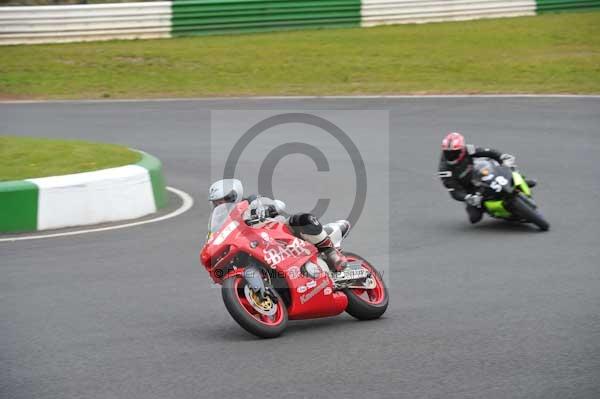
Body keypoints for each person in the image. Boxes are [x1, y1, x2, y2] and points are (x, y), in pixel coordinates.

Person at [208, 178, 347, 272]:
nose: (220, 204)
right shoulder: (221, 225)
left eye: (223, 200)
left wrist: (269, 208)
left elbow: (277, 204)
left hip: (280, 233)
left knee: (303, 219)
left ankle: (332, 254)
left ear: (234, 196)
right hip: (255, 248)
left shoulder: (251, 202)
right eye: (217, 202)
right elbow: (213, 241)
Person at [437, 132, 535, 224]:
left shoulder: (468, 149)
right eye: (447, 152)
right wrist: (468, 198)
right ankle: (497, 213)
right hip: (470, 190)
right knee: (474, 218)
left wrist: (502, 157)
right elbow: (454, 192)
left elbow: (489, 152)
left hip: (479, 173)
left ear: (462, 150)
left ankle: (521, 180)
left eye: (455, 152)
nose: (451, 155)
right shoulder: (445, 171)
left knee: (507, 167)